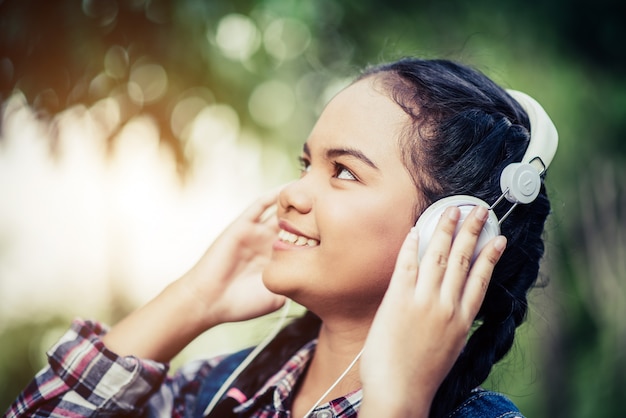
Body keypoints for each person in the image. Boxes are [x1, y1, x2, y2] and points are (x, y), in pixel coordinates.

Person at [5, 57, 556, 418]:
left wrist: (397, 403)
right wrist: (193, 300)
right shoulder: (217, 389)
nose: (291, 193)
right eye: (305, 163)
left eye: (343, 171)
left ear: (453, 230)